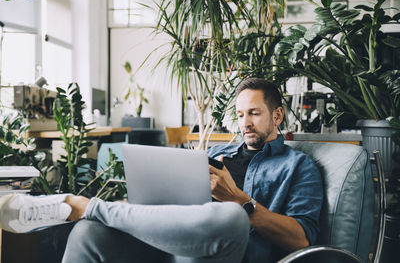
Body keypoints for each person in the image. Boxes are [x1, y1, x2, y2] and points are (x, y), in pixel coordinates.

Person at [0, 78, 323, 263]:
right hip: (173, 246)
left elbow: (301, 240)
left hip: (228, 251)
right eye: (240, 115)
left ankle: (88, 207)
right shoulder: (215, 154)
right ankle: (96, 213)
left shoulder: (298, 166)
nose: (245, 123)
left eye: (254, 113)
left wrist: (241, 202)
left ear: (277, 115)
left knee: (230, 216)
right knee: (89, 233)